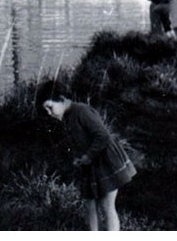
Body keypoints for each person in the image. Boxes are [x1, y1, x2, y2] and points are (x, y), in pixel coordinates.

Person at [42, 96, 136, 231]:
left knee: (107, 205)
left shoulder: (82, 111)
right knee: (89, 204)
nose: (49, 113)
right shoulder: (67, 117)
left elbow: (103, 136)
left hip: (106, 160)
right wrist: (78, 157)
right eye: (46, 110)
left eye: (50, 107)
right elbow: (78, 141)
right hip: (90, 163)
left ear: (62, 99)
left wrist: (88, 156)